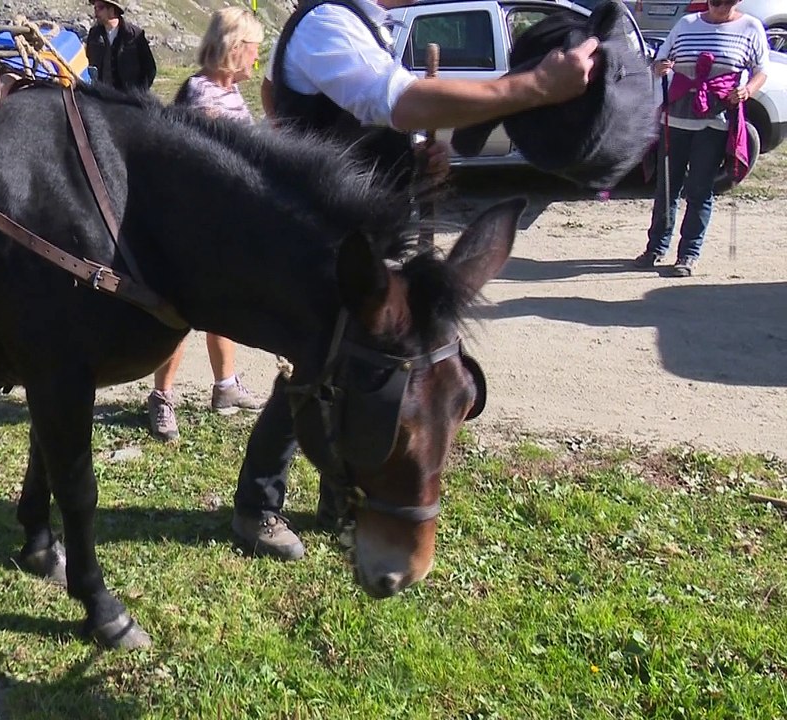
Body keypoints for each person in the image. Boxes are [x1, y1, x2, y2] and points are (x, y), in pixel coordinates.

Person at [231, 0, 601, 559]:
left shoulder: (366, 27)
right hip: (324, 243)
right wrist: (537, 87)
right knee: (311, 372)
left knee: (346, 374)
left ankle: (338, 497)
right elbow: (398, 102)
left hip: (360, 236)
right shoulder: (325, 24)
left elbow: (358, 117)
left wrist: (415, 161)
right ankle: (256, 507)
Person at [146, 7, 267, 443]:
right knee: (182, 315)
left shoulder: (224, 92)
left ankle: (225, 387)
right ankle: (162, 397)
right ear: (236, 48)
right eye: (254, 47)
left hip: (221, 226)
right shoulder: (204, 98)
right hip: (196, 229)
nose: (258, 56)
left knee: (220, 309)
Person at [634, 0, 768, 277]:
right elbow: (661, 59)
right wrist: (660, 67)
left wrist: (746, 91)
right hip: (676, 118)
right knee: (667, 187)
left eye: (726, 2)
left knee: (699, 190)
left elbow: (761, 70)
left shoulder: (750, 27)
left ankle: (688, 255)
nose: (719, 6)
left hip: (715, 123)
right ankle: (656, 248)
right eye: (714, 1)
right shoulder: (687, 24)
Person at [84, 0, 157, 92]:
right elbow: (89, 61)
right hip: (102, 98)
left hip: (128, 100)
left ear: (112, 10)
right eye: (95, 7)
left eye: (100, 7)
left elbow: (149, 68)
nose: (96, 11)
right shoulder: (94, 34)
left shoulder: (134, 35)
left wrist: (139, 93)